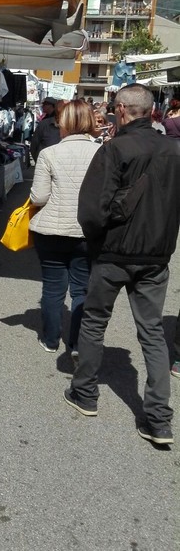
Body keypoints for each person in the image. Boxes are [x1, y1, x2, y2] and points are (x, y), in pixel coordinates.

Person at [64, 84, 180, 447]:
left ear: (123, 110)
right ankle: (159, 419)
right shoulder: (174, 150)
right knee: (152, 332)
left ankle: (85, 393)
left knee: (95, 321)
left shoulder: (115, 149)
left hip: (113, 252)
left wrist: (94, 241)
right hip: (156, 254)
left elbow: (92, 209)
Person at [29, 100, 99, 356]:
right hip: (87, 231)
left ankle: (50, 339)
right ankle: (77, 343)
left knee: (52, 288)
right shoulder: (102, 153)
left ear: (64, 122)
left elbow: (38, 197)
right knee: (81, 289)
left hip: (51, 230)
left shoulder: (49, 153)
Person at [30, 97, 62, 162]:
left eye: (44, 104)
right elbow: (34, 144)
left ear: (51, 106)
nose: (42, 106)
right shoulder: (45, 120)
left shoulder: (51, 122)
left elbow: (34, 144)